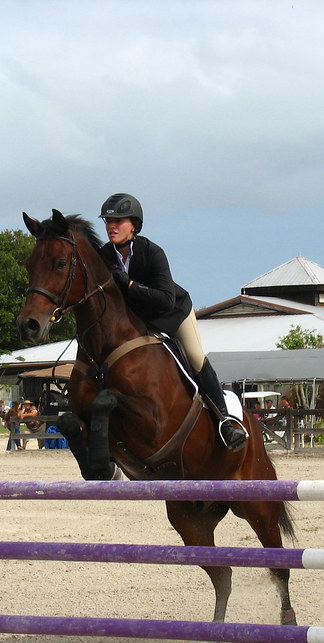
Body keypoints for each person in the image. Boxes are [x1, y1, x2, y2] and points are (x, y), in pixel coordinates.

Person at [98, 193, 246, 452]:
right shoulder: (104, 256)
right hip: (139, 321)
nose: (111, 226)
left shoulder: (152, 253)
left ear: (134, 225)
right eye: (108, 221)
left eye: (118, 221)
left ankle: (225, 421)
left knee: (195, 356)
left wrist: (130, 285)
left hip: (172, 313)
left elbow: (165, 299)